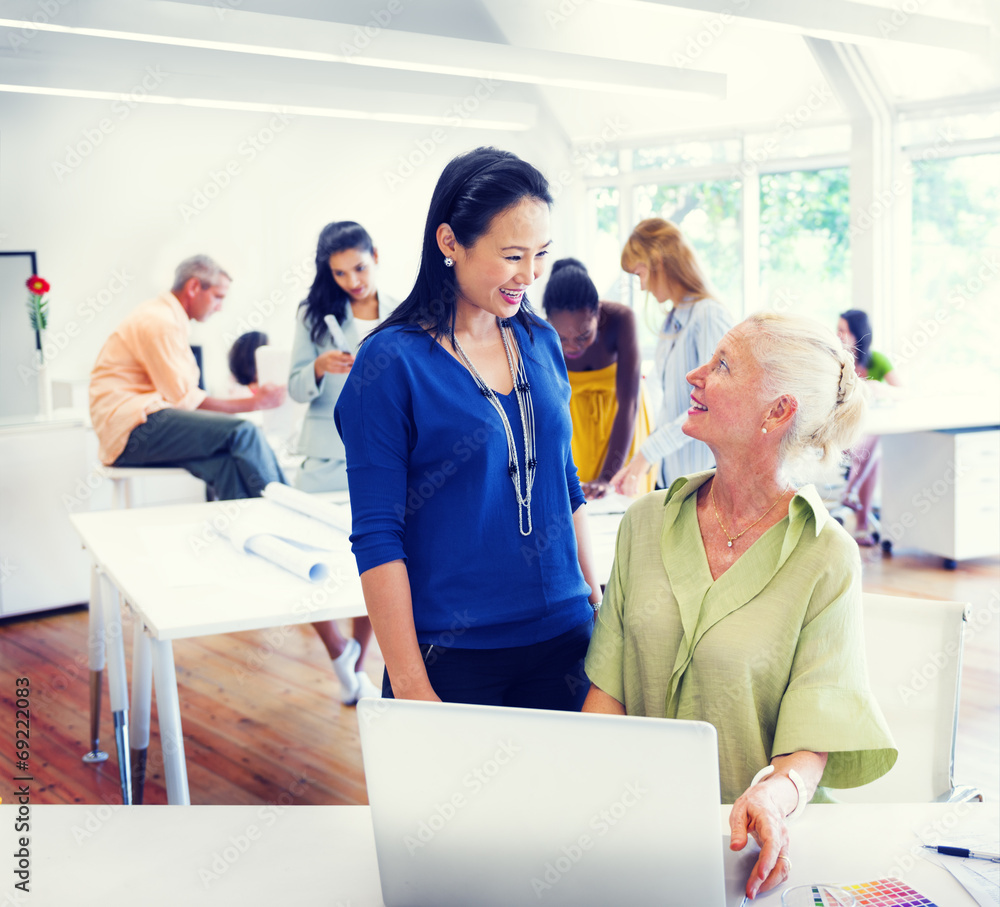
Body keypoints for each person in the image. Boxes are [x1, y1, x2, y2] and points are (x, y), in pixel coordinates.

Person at [582, 313, 897, 900]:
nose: (696, 376)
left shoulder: (826, 556)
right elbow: (608, 691)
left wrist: (772, 800)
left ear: (776, 413)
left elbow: (813, 736)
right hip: (637, 841)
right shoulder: (645, 523)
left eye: (723, 365)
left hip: (747, 855)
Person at [335, 146, 602, 708]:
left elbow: (564, 478)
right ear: (450, 242)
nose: (529, 275)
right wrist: (409, 684)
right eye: (511, 256)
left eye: (541, 255)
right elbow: (377, 536)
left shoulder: (541, 341)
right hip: (450, 659)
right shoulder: (389, 365)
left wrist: (594, 596)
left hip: (568, 643)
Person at [287, 221, 398, 703]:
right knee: (300, 560)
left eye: (360, 267)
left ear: (375, 255)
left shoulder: (402, 312)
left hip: (386, 455)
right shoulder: (314, 318)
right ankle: (339, 650)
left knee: (383, 562)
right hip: (325, 457)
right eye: (340, 273)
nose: (353, 280)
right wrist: (317, 366)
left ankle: (359, 658)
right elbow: (294, 387)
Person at [89, 255, 287, 499]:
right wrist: (257, 402)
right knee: (244, 432)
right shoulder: (160, 322)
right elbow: (186, 399)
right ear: (194, 287)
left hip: (129, 434)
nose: (219, 307)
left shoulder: (167, 319)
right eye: (217, 296)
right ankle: (290, 514)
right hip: (132, 430)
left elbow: (184, 397)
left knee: (228, 465)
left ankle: (249, 533)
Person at [609, 218, 733, 494]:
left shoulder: (708, 315)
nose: (642, 287)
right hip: (675, 477)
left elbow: (712, 404)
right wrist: (638, 462)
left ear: (659, 263)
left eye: (640, 273)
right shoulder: (673, 322)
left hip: (705, 478)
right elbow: (668, 406)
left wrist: (647, 454)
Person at [542, 257, 653, 499]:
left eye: (584, 336)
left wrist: (607, 476)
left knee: (624, 503)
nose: (572, 346)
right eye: (562, 338)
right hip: (574, 428)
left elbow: (629, 403)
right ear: (549, 321)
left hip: (623, 421)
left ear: (598, 313)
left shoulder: (621, 320)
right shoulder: (538, 331)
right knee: (577, 505)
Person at [836, 309, 902, 547]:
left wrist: (879, 390)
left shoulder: (876, 361)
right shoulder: (836, 363)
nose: (838, 335)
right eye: (838, 330)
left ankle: (852, 494)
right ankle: (860, 519)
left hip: (865, 438)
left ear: (858, 334)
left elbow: (903, 392)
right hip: (841, 435)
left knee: (873, 445)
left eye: (843, 330)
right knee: (874, 448)